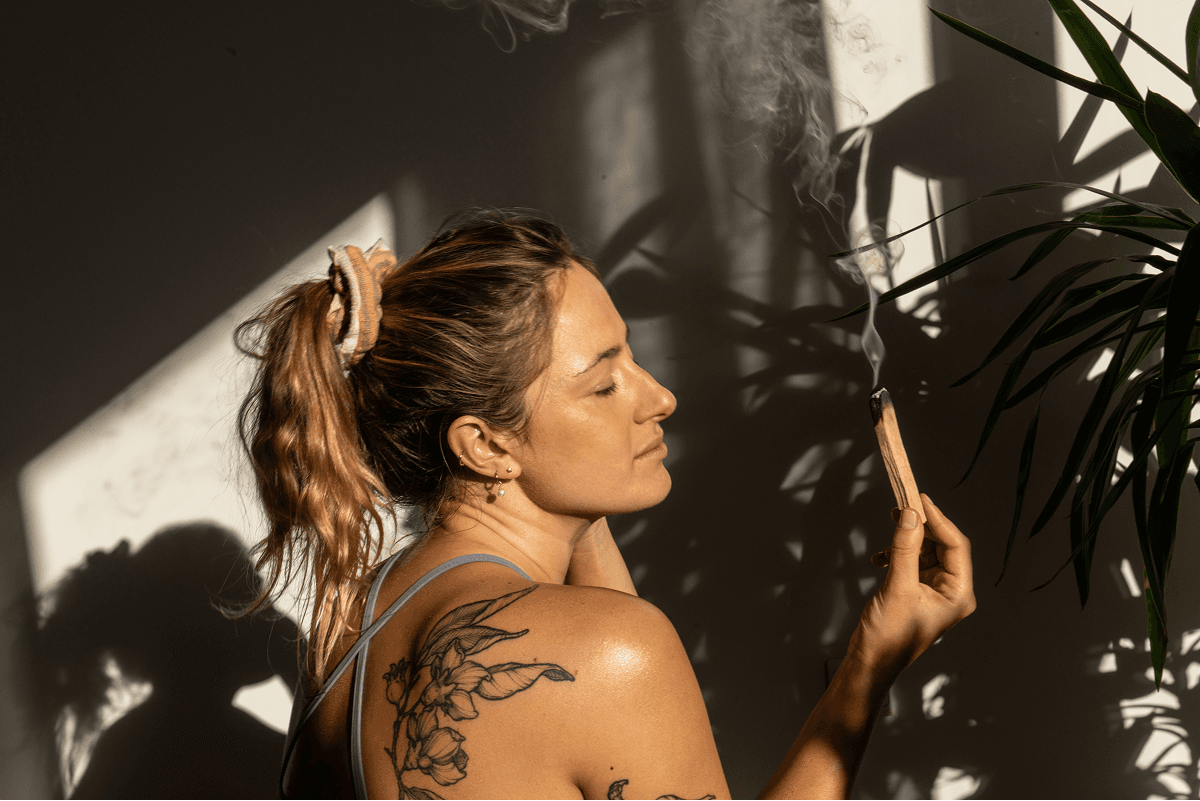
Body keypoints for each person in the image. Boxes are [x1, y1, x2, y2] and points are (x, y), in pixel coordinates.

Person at [237, 211, 975, 800]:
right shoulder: (610, 652)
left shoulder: (351, 625)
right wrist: (868, 667)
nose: (661, 398)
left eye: (631, 355)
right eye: (603, 383)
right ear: (486, 446)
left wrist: (576, 510)